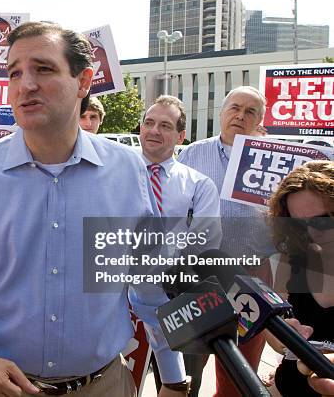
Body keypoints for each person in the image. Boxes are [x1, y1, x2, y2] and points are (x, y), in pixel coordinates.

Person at [0, 21, 187, 397]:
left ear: (84, 81)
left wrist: (173, 373)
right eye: (14, 72)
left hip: (103, 385)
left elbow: (150, 282)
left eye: (43, 69)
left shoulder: (129, 169)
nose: (25, 85)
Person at [177, 85, 275, 397]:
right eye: (234, 108)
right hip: (200, 275)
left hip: (252, 275)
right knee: (190, 365)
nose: (240, 116)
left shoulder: (273, 159)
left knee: (241, 370)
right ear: (221, 113)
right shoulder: (193, 153)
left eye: (250, 111)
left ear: (260, 119)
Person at [139, 95, 221, 396]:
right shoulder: (114, 172)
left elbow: (206, 238)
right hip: (117, 299)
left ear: (180, 135)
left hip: (177, 298)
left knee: (179, 384)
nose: (154, 131)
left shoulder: (199, 184)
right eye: (149, 123)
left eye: (165, 125)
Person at [266, 160, 334, 397]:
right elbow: (273, 332)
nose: (312, 232)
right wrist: (284, 334)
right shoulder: (292, 259)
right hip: (289, 387)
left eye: (321, 220)